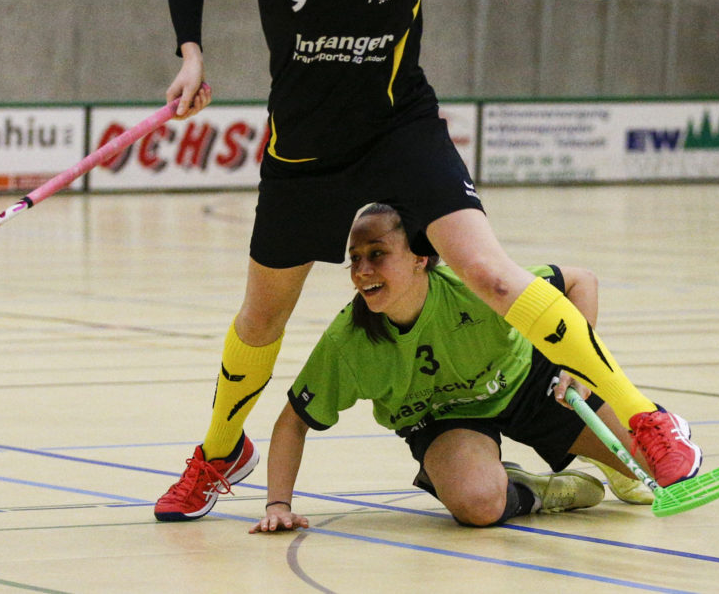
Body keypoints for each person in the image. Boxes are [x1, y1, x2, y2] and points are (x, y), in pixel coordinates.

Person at [155, 0, 699, 522]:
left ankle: (645, 419)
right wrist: (191, 54)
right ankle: (221, 452)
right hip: (305, 152)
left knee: (490, 273)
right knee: (260, 321)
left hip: (399, 129)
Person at [251, 204, 654, 533]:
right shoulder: (349, 341)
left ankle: (604, 456)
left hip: (528, 382)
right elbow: (292, 423)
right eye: (354, 259)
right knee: (479, 504)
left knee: (659, 466)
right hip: (444, 417)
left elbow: (581, 282)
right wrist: (277, 506)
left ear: (420, 257)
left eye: (377, 254)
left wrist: (578, 367)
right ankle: (529, 491)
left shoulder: (473, 286)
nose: (362, 271)